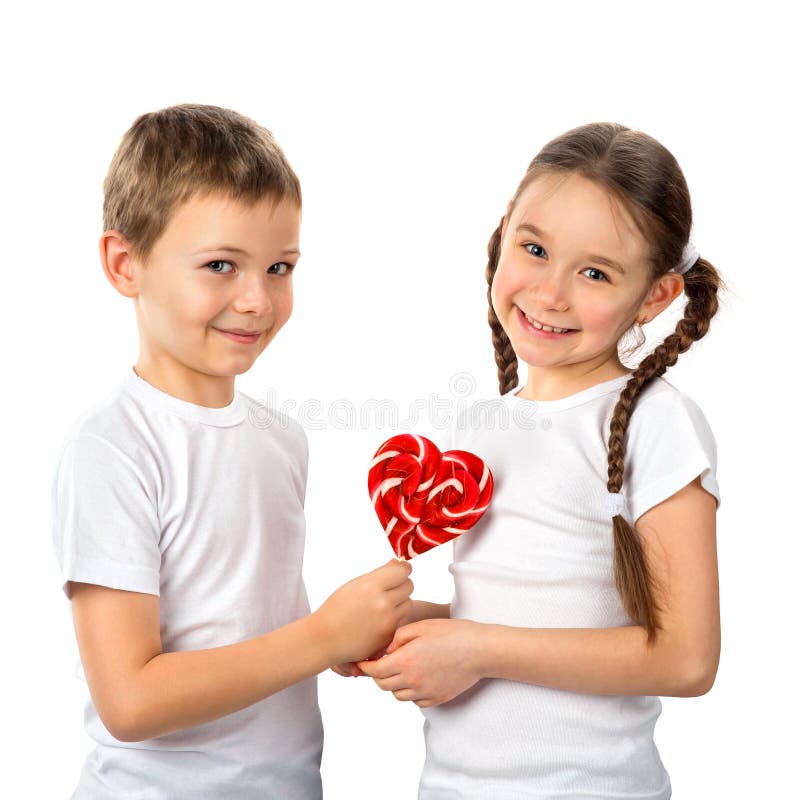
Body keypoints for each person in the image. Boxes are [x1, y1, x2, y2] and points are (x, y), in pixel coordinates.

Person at [50, 103, 413, 800]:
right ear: (126, 264)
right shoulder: (112, 450)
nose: (257, 299)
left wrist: (356, 636)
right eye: (221, 265)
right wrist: (320, 637)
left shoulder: (282, 441)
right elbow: (130, 700)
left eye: (280, 267)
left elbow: (256, 632)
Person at [356, 122, 725, 799]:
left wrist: (475, 649)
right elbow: (522, 609)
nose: (550, 293)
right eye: (533, 249)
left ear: (654, 296)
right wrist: (422, 626)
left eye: (593, 272)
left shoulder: (655, 422)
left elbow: (686, 658)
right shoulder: (481, 426)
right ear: (502, 237)